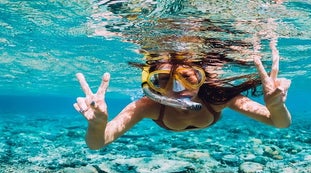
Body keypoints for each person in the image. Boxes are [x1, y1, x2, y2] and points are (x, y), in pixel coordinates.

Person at [73, 36, 291, 150]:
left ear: (202, 77)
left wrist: (276, 107)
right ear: (152, 84)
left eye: (187, 77)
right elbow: (97, 144)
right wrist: (97, 125)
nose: (177, 90)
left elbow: (280, 123)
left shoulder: (216, 97)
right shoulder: (148, 106)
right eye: (164, 80)